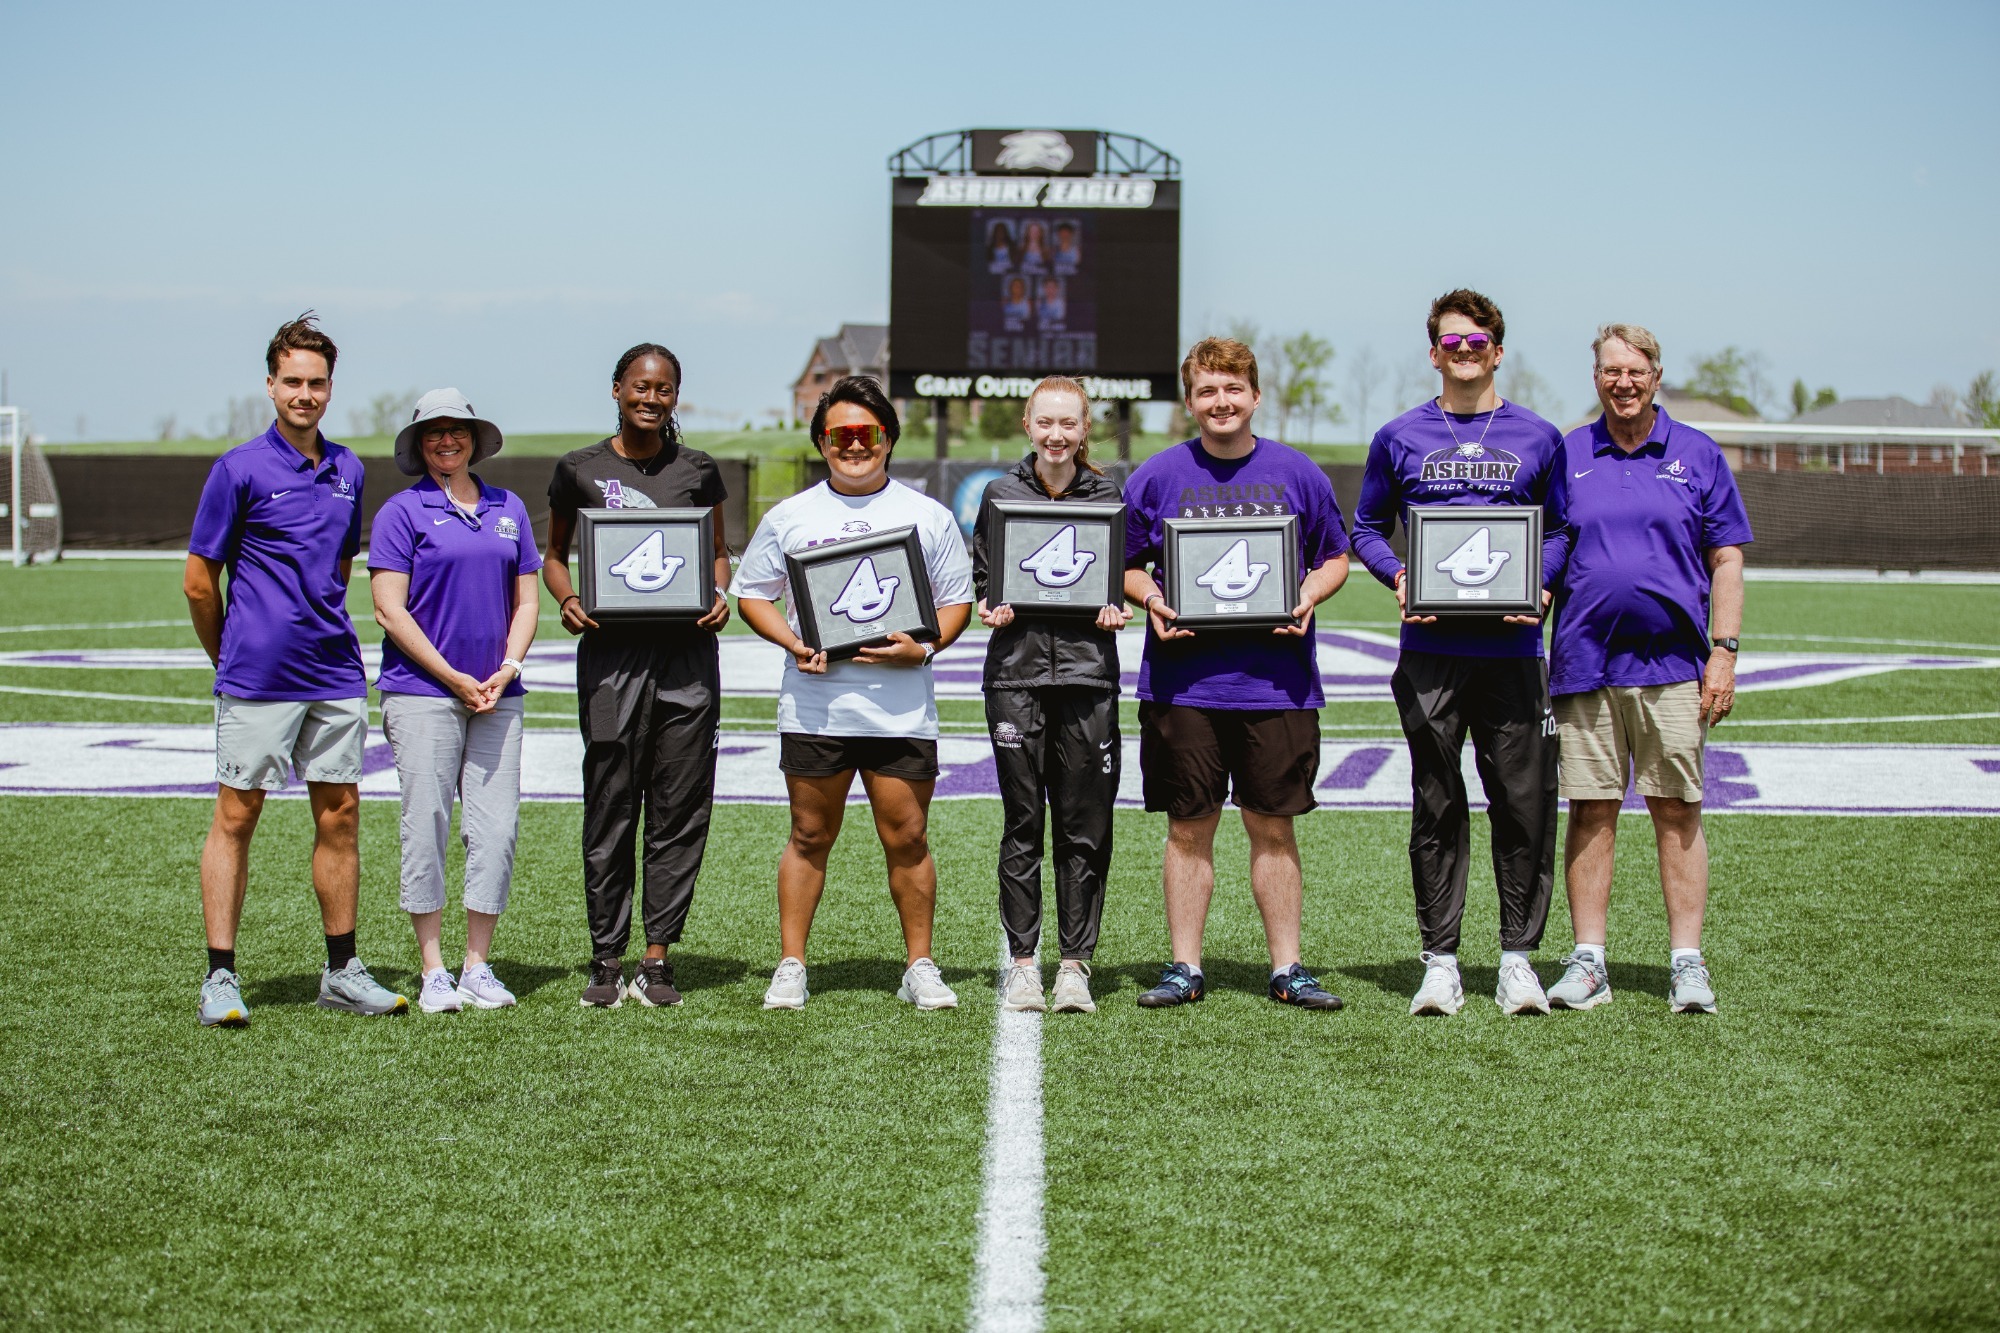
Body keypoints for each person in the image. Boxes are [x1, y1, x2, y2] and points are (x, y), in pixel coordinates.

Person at [1350, 289, 1573, 1018]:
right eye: (1452, 343)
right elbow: (1366, 526)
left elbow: (1565, 530)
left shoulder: (1540, 436)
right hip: (1431, 651)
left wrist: (1539, 581)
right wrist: (1400, 574)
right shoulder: (1399, 435)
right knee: (1436, 802)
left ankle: (1516, 959)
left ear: (1498, 351)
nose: (1465, 353)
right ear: (1434, 353)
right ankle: (1440, 960)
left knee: (1522, 805)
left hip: (1512, 649)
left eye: (1477, 343)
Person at [184, 312, 407, 1026]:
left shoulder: (349, 469)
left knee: (341, 815)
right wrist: (231, 655)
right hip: (256, 676)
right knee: (236, 814)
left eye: (315, 383)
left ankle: (341, 969)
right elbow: (198, 579)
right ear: (271, 385)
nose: (304, 394)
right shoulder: (238, 468)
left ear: (330, 387)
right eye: (292, 382)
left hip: (334, 671)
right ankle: (221, 976)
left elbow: (340, 564)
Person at [732, 375, 975, 1011]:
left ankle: (919, 964)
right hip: (817, 704)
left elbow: (956, 603)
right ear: (821, 442)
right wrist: (792, 643)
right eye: (840, 435)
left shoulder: (928, 515)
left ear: (889, 438)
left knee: (909, 836)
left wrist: (923, 647)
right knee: (809, 834)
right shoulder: (790, 516)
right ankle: (791, 964)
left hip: (900, 708)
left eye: (867, 433)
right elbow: (752, 594)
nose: (854, 445)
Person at [1122, 337, 1351, 1011]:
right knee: (1188, 825)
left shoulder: (1298, 472)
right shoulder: (1156, 476)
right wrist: (1152, 599)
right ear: (1189, 401)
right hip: (1182, 683)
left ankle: (1288, 967)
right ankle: (1184, 966)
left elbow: (1333, 556)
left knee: (1273, 824)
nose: (1221, 402)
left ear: (1254, 395)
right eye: (1206, 391)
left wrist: (1309, 593)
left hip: (1276, 680)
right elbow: (1129, 564)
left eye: (1232, 389)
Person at [1543, 325, 1751, 1015]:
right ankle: (1589, 960)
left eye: (1635, 370)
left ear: (1657, 374)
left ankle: (1686, 962)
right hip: (1585, 663)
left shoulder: (1697, 453)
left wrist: (1724, 649)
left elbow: (1726, 558)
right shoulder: (1567, 452)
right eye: (1610, 371)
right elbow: (1540, 552)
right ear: (1595, 377)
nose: (1622, 382)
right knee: (1591, 810)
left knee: (1677, 809)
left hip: (1672, 668)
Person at [542, 344, 733, 1009]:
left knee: (679, 806)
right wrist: (566, 600)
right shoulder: (579, 469)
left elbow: (716, 556)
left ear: (675, 396)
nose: (651, 398)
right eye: (640, 387)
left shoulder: (698, 470)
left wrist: (719, 595)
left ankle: (657, 955)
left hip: (687, 661)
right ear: (617, 389)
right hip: (611, 660)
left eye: (664, 389)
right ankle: (606, 952)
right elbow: (555, 556)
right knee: (612, 801)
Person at [369, 389, 541, 1013]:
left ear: (475, 437)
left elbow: (526, 600)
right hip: (422, 694)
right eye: (435, 432)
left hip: (499, 693)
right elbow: (389, 609)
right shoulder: (401, 511)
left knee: (495, 830)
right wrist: (452, 677)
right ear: (419, 444)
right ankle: (433, 968)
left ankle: (477, 965)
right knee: (428, 823)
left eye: (458, 430)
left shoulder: (508, 506)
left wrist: (507, 668)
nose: (448, 441)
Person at [973, 376, 1129, 1014]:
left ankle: (1074, 965)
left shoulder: (1108, 496)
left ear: (1084, 427)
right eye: (1045, 423)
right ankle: (1021, 963)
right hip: (1016, 674)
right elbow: (987, 574)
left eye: (1069, 423)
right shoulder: (1000, 494)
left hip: (1090, 675)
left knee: (1084, 824)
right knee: (1022, 821)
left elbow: (1116, 577)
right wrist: (991, 606)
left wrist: (1115, 608)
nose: (1057, 435)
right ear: (1028, 426)